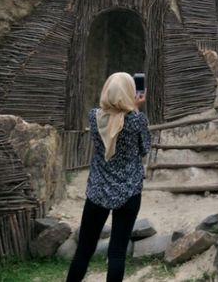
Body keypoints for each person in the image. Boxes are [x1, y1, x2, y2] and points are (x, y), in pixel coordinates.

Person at [67, 72, 150, 282]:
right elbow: (145, 148)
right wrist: (137, 107)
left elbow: (111, 117)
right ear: (129, 93)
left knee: (84, 251)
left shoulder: (94, 117)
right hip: (129, 191)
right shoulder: (137, 121)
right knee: (117, 253)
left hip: (98, 189)